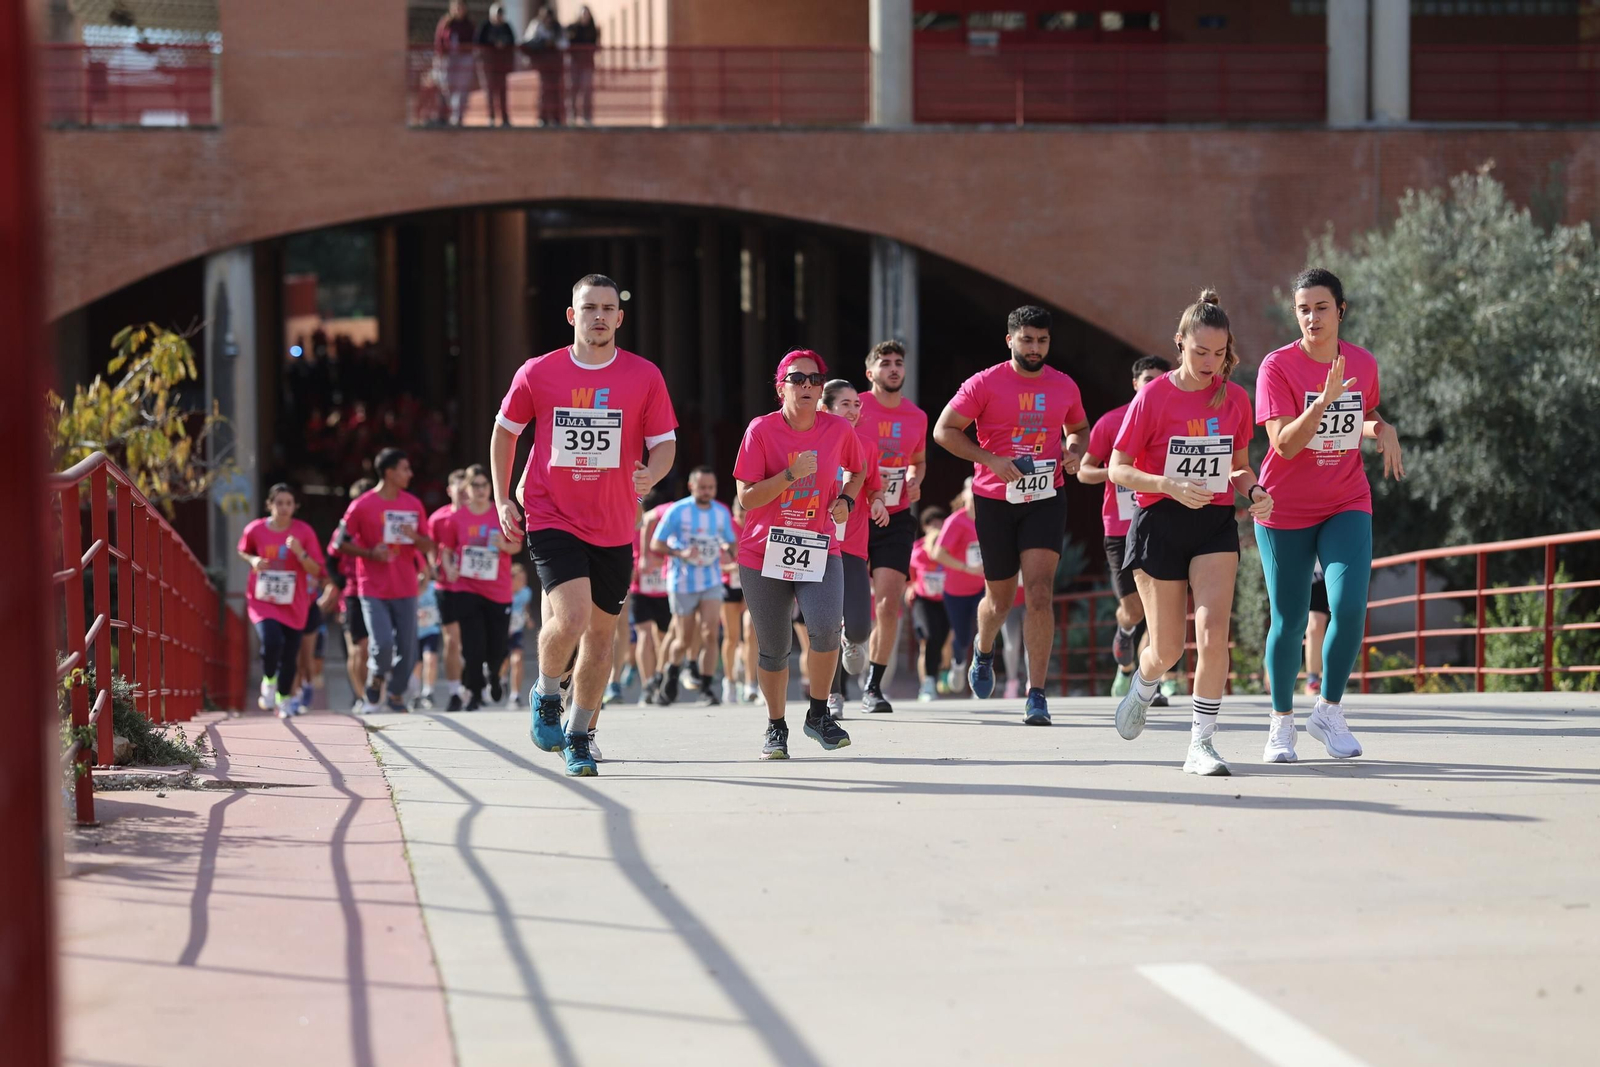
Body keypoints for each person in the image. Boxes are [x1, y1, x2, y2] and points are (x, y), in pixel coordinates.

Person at [491, 274, 677, 776]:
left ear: (620, 317)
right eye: (589, 307)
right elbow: (505, 433)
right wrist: (502, 497)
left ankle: (578, 735)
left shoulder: (644, 376)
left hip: (615, 521)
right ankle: (547, 691)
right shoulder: (539, 372)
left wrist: (651, 473)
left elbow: (664, 444)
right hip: (552, 512)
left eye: (608, 308)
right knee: (570, 619)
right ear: (572, 315)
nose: (599, 316)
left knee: (600, 638)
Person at [1109, 290, 1274, 776]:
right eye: (1200, 352)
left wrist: (1255, 489)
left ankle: (1201, 744)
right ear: (1179, 343)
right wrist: (1167, 484)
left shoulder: (1235, 397)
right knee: (1167, 649)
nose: (1210, 363)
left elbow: (1240, 468)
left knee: (1212, 633)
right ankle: (1144, 682)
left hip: (1213, 524)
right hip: (1160, 520)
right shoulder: (1153, 396)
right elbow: (1118, 469)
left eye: (1219, 354)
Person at [1254, 267, 1403, 763]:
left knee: (1350, 607)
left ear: (1341, 310)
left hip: (1345, 499)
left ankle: (1329, 711)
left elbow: (1366, 413)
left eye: (1321, 307)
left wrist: (1382, 428)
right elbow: (1285, 443)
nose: (1311, 318)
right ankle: (1281, 725)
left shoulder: (1363, 361)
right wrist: (1324, 402)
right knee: (1291, 619)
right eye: (1303, 309)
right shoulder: (1277, 367)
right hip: (1283, 507)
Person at [932, 305, 1089, 725]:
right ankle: (984, 652)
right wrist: (990, 459)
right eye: (1027, 340)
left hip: (1045, 495)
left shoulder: (1064, 385)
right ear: (1010, 340)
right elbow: (944, 431)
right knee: (999, 600)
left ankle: (1036, 694)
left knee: (1038, 592)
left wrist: (1074, 451)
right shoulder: (984, 383)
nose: (1035, 348)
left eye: (1042, 341)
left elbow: (1079, 429)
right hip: (995, 499)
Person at [734, 350, 863, 759]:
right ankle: (775, 728)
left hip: (819, 545)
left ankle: (819, 713)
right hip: (764, 550)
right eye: (797, 378)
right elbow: (746, 498)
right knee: (774, 647)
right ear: (781, 387)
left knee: (826, 628)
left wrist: (846, 499)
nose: (807, 385)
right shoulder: (762, 430)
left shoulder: (838, 430)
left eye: (814, 379)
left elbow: (858, 471)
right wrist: (790, 475)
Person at [1078, 354, 1172, 697]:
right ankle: (1125, 634)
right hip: (1120, 529)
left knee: (1160, 612)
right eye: (1148, 379)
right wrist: (1120, 472)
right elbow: (1084, 471)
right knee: (1134, 609)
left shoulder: (1174, 418)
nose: (1154, 386)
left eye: (1161, 379)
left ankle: (1150, 681)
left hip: (1162, 521)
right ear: (1135, 384)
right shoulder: (1111, 422)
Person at [335, 448, 438, 713]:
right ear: (390, 472)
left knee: (408, 649)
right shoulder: (362, 505)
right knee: (382, 645)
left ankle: (394, 694)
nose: (410, 474)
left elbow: (428, 543)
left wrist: (414, 537)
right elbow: (340, 543)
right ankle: (376, 676)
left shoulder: (413, 504)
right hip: (372, 587)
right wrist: (369, 553)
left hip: (405, 586)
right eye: (405, 469)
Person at [857, 340, 928, 715]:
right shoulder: (854, 408)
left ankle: (873, 685)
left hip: (896, 516)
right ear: (871, 373)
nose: (894, 368)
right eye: (885, 363)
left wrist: (915, 479)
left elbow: (918, 460)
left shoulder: (916, 416)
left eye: (899, 362)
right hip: (852, 515)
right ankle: (836, 677)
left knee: (888, 604)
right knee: (848, 606)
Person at [820, 379, 890, 718]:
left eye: (856, 404)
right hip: (816, 544)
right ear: (826, 407)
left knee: (860, 626)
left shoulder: (867, 446)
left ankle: (852, 640)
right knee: (826, 623)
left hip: (852, 546)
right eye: (844, 404)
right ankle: (833, 696)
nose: (853, 410)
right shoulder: (812, 443)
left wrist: (878, 503)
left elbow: (876, 488)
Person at [650, 467, 737, 706]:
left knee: (711, 633)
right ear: (692, 487)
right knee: (683, 639)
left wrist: (730, 551)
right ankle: (670, 675)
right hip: (682, 581)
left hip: (711, 580)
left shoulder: (721, 512)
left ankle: (707, 689)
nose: (707, 492)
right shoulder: (678, 511)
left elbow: (731, 540)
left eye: (711, 488)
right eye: (702, 488)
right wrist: (680, 552)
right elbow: (656, 544)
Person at [239, 484, 326, 718]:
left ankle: (284, 699)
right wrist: (254, 560)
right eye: (279, 503)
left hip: (294, 601)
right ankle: (269, 680)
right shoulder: (255, 529)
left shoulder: (304, 532)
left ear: (294, 506)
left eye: (289, 503)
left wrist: (300, 552)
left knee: (290, 654)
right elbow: (243, 550)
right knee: (271, 640)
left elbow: (317, 569)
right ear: (270, 505)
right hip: (263, 599)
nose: (284, 508)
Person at [437, 463, 519, 710]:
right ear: (466, 488)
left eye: (485, 485)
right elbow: (447, 550)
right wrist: (449, 567)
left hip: (499, 589)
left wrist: (504, 546)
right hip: (467, 588)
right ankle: (473, 693)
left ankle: (494, 674)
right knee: (473, 645)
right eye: (475, 485)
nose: (481, 490)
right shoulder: (456, 518)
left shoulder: (502, 513)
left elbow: (517, 545)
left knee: (498, 647)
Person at [928, 483, 986, 696]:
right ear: (965, 496)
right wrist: (966, 568)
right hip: (956, 591)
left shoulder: (989, 518)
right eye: (972, 496)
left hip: (982, 589)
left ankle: (980, 674)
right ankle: (959, 663)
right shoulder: (956, 521)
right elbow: (937, 554)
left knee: (984, 632)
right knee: (962, 636)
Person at [330, 477, 375, 712]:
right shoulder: (344, 529)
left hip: (379, 592)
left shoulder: (382, 523)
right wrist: (336, 587)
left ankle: (373, 694)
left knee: (374, 648)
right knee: (358, 648)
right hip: (351, 595)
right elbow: (331, 559)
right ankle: (361, 697)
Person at [431, 470, 469, 710]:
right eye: (460, 488)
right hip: (446, 587)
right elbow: (427, 546)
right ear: (450, 490)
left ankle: (474, 683)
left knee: (473, 641)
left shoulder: (482, 515)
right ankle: (455, 691)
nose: (465, 493)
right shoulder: (437, 519)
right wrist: (432, 567)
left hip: (477, 588)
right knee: (452, 641)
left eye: (469, 488)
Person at [632, 492, 673, 703]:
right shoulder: (634, 524)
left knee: (659, 639)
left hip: (663, 588)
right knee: (647, 636)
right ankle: (649, 684)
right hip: (641, 587)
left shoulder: (661, 522)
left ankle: (656, 681)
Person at [908, 507, 950, 701]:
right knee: (927, 638)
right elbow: (909, 572)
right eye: (932, 524)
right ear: (925, 527)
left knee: (943, 643)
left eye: (940, 523)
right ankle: (927, 683)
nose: (937, 527)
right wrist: (910, 586)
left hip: (947, 600)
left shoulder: (951, 547)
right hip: (923, 600)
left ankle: (943, 674)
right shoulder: (917, 549)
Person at [434, 0, 478, 126]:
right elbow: (439, 41)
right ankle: (448, 111)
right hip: (448, 58)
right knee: (446, 84)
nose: (459, 9)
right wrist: (440, 55)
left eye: (462, 7)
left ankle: (457, 116)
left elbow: (474, 41)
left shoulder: (469, 24)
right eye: (457, 7)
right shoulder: (446, 23)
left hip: (464, 58)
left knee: (462, 87)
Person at [522, 6, 566, 127]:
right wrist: (542, 42)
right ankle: (543, 117)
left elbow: (564, 44)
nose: (548, 20)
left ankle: (557, 118)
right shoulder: (536, 26)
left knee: (557, 90)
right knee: (544, 90)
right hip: (542, 63)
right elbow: (527, 41)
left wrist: (554, 43)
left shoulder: (557, 28)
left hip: (556, 64)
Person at [477, 3, 517, 127]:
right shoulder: (485, 26)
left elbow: (512, 40)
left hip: (502, 64)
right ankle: (491, 117)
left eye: (500, 14)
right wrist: (492, 43)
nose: (498, 17)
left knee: (502, 91)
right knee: (489, 90)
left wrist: (503, 43)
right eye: (496, 14)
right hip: (488, 64)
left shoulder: (506, 27)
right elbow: (478, 42)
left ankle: (504, 117)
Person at [414, 568, 443, 710]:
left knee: (430, 659)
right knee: (416, 664)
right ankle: (415, 693)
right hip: (413, 633)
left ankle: (428, 691)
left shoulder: (435, 588)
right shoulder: (408, 588)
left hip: (431, 630)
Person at [565, 5, 599, 125]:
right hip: (575, 63)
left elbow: (596, 45)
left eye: (587, 14)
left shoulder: (593, 29)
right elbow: (567, 41)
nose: (585, 16)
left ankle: (587, 117)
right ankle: (572, 116)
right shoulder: (574, 28)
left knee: (587, 89)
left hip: (588, 63)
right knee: (573, 89)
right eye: (583, 14)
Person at [507, 562, 534, 706]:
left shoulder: (526, 592)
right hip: (502, 632)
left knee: (517, 660)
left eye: (525, 579)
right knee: (503, 663)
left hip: (516, 631)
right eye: (520, 579)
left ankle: (515, 695)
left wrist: (528, 618)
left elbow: (525, 608)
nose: (523, 582)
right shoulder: (503, 590)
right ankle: (501, 680)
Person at [1305, 567, 1329, 695]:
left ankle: (1313, 680)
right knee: (1287, 624)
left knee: (1315, 625)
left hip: (1322, 573)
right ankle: (1271, 666)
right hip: (1294, 566)